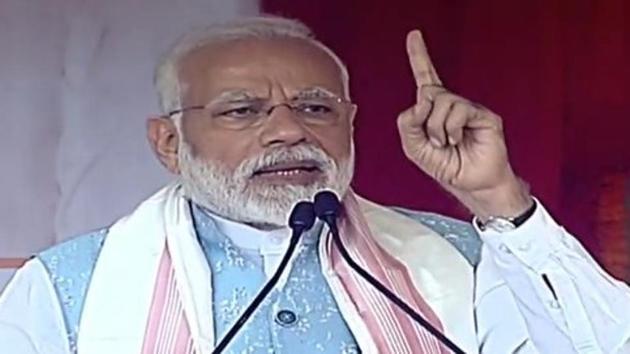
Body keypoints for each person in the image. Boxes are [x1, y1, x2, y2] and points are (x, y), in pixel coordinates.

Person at [0, 16, 628, 354]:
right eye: (243, 110)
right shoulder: (66, 289)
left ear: (352, 126)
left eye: (317, 108)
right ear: (169, 142)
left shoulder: (459, 259)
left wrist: (498, 200)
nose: (288, 132)